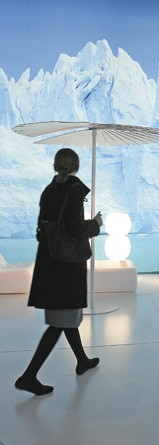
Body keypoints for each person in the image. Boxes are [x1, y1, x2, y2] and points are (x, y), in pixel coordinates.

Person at [15, 148, 103, 396]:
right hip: (67, 264)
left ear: (56, 165)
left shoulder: (49, 190)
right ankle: (28, 376)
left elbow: (41, 230)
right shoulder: (74, 190)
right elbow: (75, 229)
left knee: (65, 315)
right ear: (76, 166)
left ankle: (82, 361)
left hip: (49, 262)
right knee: (59, 322)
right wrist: (95, 225)